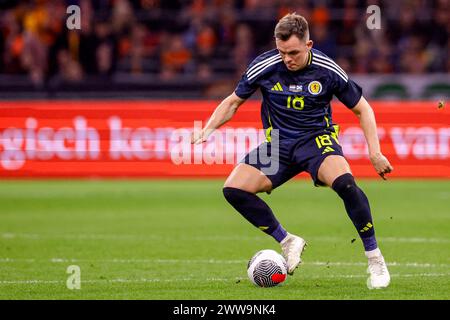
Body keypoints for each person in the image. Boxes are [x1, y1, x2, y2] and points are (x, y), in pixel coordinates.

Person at [191, 13, 393, 289]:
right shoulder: (263, 66)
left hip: (316, 140)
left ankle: (375, 259)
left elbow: (363, 109)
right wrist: (207, 129)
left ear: (309, 45)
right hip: (278, 146)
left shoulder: (327, 69)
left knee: (346, 184)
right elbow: (232, 102)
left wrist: (375, 153)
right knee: (233, 190)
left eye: (294, 52)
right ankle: (287, 240)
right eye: (282, 52)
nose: (287, 59)